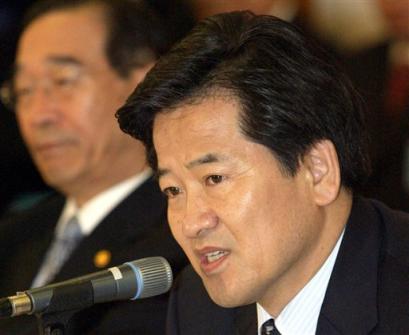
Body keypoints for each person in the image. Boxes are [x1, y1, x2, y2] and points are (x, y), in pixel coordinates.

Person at [117, 11, 409, 334]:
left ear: (318, 170)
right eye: (173, 190)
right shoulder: (197, 309)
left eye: (214, 178)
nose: (191, 223)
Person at [0, 0, 193, 333]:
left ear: (142, 82)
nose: (38, 116)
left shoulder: (183, 236)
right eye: (24, 91)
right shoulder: (13, 235)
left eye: (62, 81)